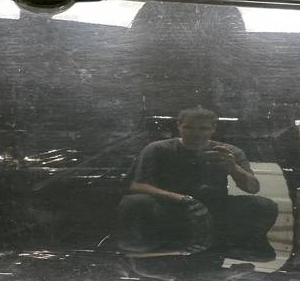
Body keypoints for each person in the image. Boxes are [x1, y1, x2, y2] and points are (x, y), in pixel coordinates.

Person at [117, 106, 278, 262]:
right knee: (135, 202)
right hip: (169, 208)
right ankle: (151, 242)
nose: (196, 133)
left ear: (213, 129)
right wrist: (182, 199)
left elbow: (253, 188)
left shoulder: (229, 152)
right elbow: (136, 185)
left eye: (203, 128)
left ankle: (225, 244)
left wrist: (233, 167)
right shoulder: (157, 148)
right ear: (179, 126)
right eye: (189, 127)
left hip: (212, 209)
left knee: (264, 206)